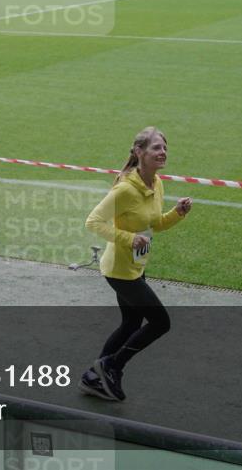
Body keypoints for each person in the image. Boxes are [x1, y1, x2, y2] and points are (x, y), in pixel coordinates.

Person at [82, 127, 192, 401]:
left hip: (136, 267)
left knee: (131, 324)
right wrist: (128, 238)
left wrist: (177, 214)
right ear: (139, 152)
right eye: (156, 147)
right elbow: (93, 222)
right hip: (120, 270)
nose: (163, 151)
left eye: (165, 147)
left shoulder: (156, 183)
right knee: (160, 322)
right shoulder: (125, 190)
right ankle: (112, 366)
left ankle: (94, 377)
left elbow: (155, 224)